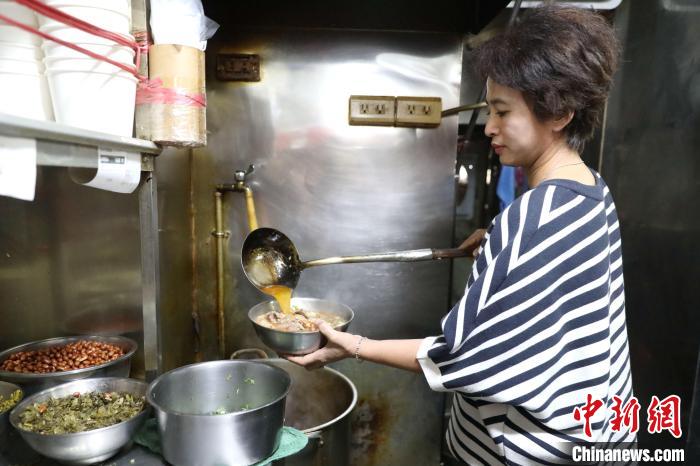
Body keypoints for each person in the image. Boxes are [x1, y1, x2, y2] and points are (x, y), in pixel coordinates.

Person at [287, 5, 634, 464]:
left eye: (502, 111)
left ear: (560, 113)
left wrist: (352, 346)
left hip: (523, 451)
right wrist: (500, 245)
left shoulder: (534, 217)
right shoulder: (590, 190)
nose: (489, 126)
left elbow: (466, 358)